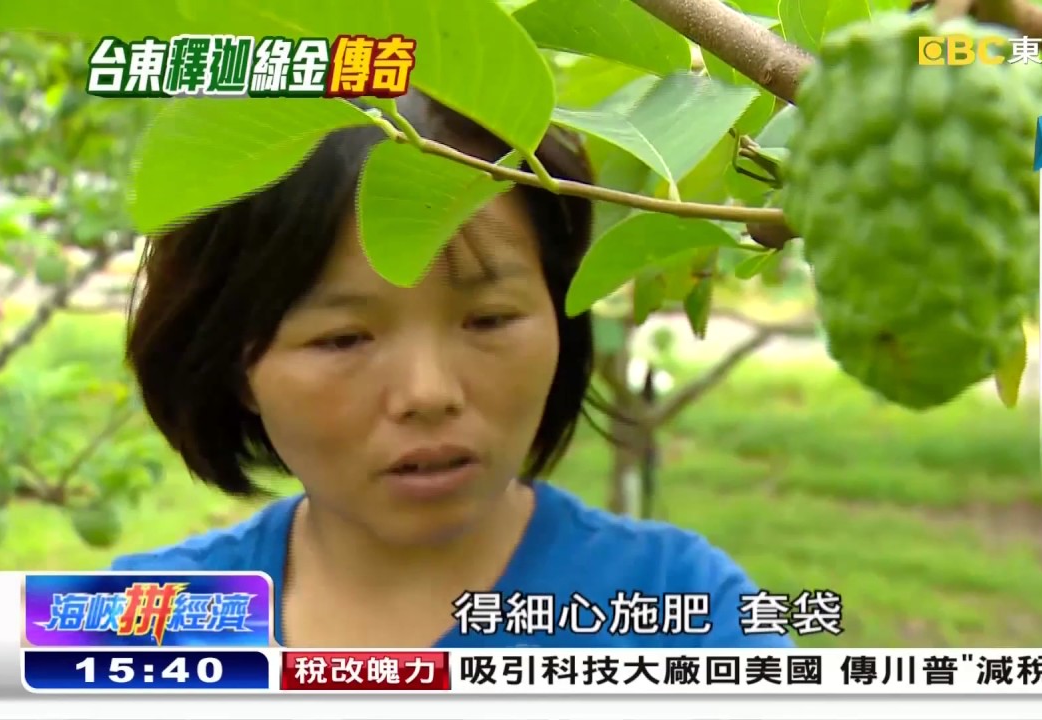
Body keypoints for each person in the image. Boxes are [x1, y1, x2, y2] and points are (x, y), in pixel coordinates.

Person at [111, 91, 793, 650]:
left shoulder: (684, 614)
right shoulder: (138, 630)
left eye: (490, 320)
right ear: (236, 365)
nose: (429, 394)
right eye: (344, 338)